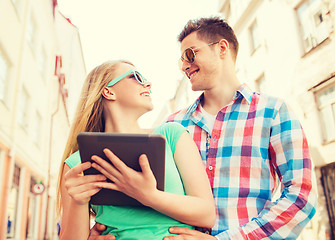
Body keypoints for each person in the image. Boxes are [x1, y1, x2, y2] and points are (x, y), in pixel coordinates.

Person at [88, 17, 317, 240]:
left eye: (190, 54)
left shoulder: (274, 112)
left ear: (222, 48)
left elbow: (301, 197)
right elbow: (145, 199)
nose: (184, 66)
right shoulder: (172, 127)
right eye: (181, 60)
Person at [56, 60, 215, 240]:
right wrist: (78, 202)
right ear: (108, 91)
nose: (147, 83)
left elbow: (207, 214)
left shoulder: (171, 135)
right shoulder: (77, 164)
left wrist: (150, 196)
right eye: (136, 77)